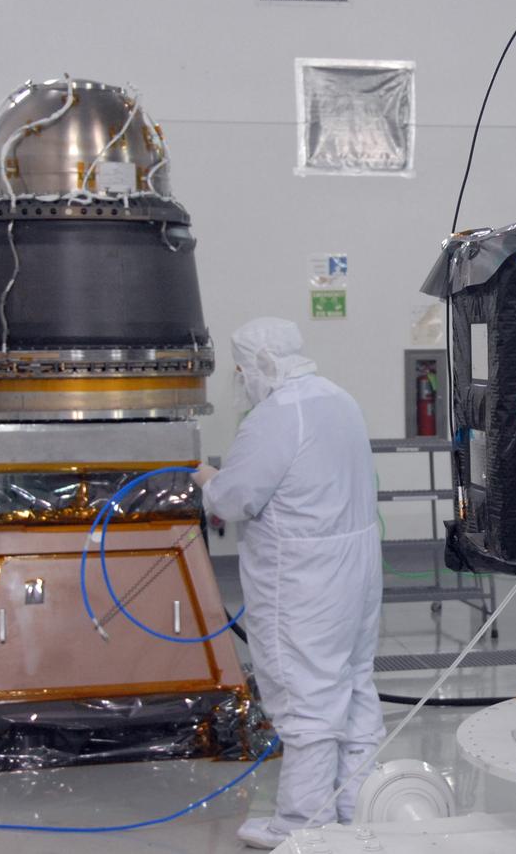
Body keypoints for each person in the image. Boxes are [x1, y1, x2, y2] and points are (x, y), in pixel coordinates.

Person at [191, 317, 385, 849]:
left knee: (306, 696)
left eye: (240, 369)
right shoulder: (339, 398)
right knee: (352, 681)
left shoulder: (276, 415)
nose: (241, 380)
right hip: (357, 567)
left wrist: (207, 481)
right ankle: (359, 804)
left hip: (303, 579)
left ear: (260, 364)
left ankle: (302, 823)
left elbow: (236, 499)